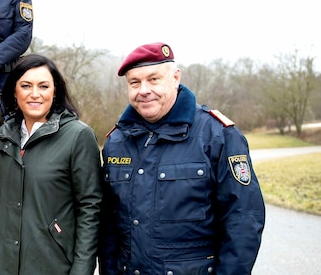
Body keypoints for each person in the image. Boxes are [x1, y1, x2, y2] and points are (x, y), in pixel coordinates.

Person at [98, 42, 266, 274]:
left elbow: (244, 219)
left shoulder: (217, 135)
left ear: (175, 78)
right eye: (134, 82)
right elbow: (108, 227)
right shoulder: (117, 142)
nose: (144, 90)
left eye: (154, 79)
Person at [0, 54, 102, 274]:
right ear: (14, 91)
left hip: (52, 265)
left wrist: (82, 269)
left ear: (55, 91)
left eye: (43, 86)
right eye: (26, 85)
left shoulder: (78, 136)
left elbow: (90, 209)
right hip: (2, 263)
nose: (35, 94)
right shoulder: (4, 133)